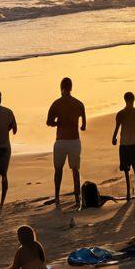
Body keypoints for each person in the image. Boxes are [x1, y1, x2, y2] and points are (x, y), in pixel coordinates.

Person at [46, 77, 86, 207]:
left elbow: (49, 122)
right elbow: (83, 126)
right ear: (71, 88)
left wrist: (59, 122)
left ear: (61, 88)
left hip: (61, 141)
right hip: (74, 141)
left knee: (58, 170)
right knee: (75, 170)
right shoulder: (79, 104)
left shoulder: (56, 103)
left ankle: (57, 197)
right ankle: (77, 197)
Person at [112, 92, 135, 200]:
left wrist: (113, 138)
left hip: (125, 145)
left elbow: (117, 128)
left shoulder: (120, 114)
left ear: (125, 100)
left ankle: (128, 194)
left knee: (126, 171)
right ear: (133, 100)